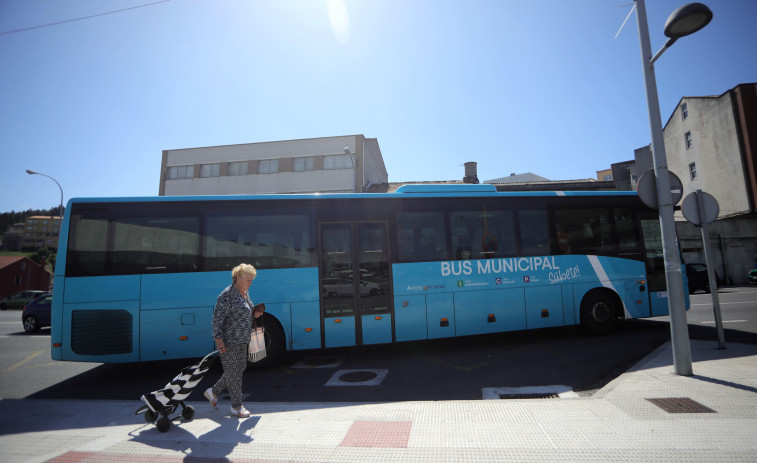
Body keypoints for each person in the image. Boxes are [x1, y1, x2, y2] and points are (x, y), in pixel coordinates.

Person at [205, 263, 263, 418]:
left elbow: (249, 309)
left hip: (243, 339)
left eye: (251, 280)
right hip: (229, 340)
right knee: (234, 373)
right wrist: (219, 341)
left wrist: (255, 313)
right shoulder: (226, 295)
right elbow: (216, 320)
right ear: (238, 278)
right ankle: (236, 407)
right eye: (247, 280)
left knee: (239, 368)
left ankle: (214, 392)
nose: (250, 283)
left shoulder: (244, 292)